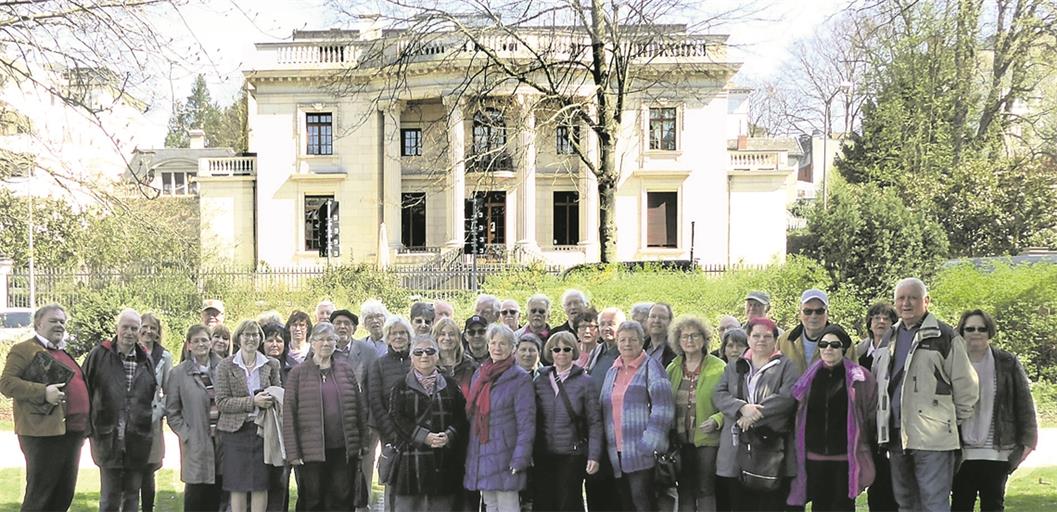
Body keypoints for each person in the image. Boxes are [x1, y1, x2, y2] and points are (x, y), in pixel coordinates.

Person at [872, 278, 978, 512]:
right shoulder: (889, 336)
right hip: (896, 435)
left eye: (913, 297)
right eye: (901, 298)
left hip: (933, 439)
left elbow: (967, 386)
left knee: (934, 504)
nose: (906, 303)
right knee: (906, 503)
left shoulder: (944, 335)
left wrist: (947, 421)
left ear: (926, 301)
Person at [0, 304, 89, 512]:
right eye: (53, 320)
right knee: (40, 497)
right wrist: (43, 392)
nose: (59, 325)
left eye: (62, 322)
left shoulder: (64, 353)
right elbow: (6, 383)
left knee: (63, 495)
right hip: (42, 434)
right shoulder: (24, 349)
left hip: (71, 433)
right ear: (38, 323)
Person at [951, 310, 1038, 512]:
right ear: (962, 331)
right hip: (961, 453)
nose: (976, 333)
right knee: (960, 506)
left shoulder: (1007, 362)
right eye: (970, 328)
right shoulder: (952, 362)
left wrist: (1027, 444)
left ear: (989, 331)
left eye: (982, 328)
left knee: (993, 506)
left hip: (998, 453)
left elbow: (1024, 405)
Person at [787, 324, 878, 511]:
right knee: (819, 505)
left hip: (846, 459)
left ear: (843, 348)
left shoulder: (861, 378)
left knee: (842, 506)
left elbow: (871, 417)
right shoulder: (808, 378)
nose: (829, 348)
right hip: (813, 458)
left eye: (835, 345)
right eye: (824, 344)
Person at [713, 317, 799, 512]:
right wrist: (742, 407)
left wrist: (755, 414)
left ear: (775, 339)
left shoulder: (786, 366)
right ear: (749, 338)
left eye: (767, 336)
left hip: (771, 449)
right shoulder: (735, 366)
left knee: (769, 504)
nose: (761, 340)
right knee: (741, 503)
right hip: (738, 449)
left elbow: (787, 397)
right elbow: (719, 394)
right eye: (756, 335)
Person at [283, 323, 369, 511]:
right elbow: (288, 414)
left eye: (330, 339)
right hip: (310, 450)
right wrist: (293, 452)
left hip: (343, 448)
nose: (326, 343)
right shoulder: (298, 373)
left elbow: (359, 409)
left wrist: (362, 442)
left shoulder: (346, 371)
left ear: (336, 343)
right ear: (312, 342)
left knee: (342, 497)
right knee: (313, 499)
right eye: (321, 339)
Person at [82, 308, 158, 512]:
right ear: (117, 328)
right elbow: (85, 391)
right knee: (109, 496)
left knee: (133, 496)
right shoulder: (99, 355)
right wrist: (89, 428)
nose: (129, 332)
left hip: (137, 437)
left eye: (134, 328)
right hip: (107, 436)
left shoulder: (145, 359)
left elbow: (150, 395)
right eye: (125, 327)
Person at [388, 335, 470, 511]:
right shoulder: (400, 386)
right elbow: (396, 417)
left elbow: (462, 416)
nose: (424, 356)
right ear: (412, 357)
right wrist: (424, 437)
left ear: (437, 355)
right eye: (418, 352)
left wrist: (449, 435)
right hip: (411, 460)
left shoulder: (450, 384)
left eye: (430, 351)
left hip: (444, 461)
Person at [599, 321, 674, 512]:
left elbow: (663, 408)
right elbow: (605, 407)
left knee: (643, 503)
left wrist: (649, 443)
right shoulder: (612, 371)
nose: (627, 344)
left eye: (632, 339)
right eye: (622, 339)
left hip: (641, 451)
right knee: (625, 503)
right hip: (616, 451)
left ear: (642, 341)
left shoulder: (652, 367)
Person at [464, 324, 537, 512]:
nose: (497, 347)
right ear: (488, 345)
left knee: (508, 504)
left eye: (503, 344)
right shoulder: (480, 374)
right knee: (490, 503)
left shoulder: (520, 378)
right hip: (481, 449)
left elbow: (526, 423)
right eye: (493, 342)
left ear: (512, 348)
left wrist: (520, 457)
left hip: (507, 451)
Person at [215, 319, 283, 512]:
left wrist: (272, 397)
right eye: (247, 335)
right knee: (237, 485)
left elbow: (278, 394)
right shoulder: (225, 366)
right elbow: (222, 403)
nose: (251, 339)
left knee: (261, 484)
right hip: (235, 432)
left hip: (263, 431)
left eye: (255, 335)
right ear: (238, 338)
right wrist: (253, 401)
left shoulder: (271, 364)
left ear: (260, 339)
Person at [532, 331, 603, 512]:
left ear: (574, 352)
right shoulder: (539, 380)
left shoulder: (585, 382)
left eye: (566, 349)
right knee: (545, 503)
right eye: (557, 349)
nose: (561, 353)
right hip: (544, 453)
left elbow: (595, 422)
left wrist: (594, 455)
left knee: (569, 503)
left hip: (572, 454)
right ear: (551, 352)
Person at [665, 315, 726, 512]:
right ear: (678, 340)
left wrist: (717, 420)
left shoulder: (718, 367)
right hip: (679, 441)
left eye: (695, 335)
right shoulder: (672, 368)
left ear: (704, 338)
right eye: (684, 336)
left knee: (705, 489)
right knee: (684, 489)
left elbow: (731, 403)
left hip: (707, 440)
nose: (689, 341)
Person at [166, 325, 225, 512]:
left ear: (211, 343)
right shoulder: (178, 373)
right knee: (196, 496)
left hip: (223, 442)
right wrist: (187, 434)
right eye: (196, 340)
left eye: (205, 340)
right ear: (189, 345)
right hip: (197, 443)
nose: (201, 344)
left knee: (220, 496)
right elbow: (172, 412)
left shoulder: (225, 368)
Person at [853, 302, 899, 512]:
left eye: (886, 318)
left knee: (887, 484)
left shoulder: (899, 353)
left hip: (889, 425)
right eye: (876, 317)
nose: (881, 321)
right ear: (869, 323)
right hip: (863, 427)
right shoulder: (857, 353)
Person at [368, 316, 415, 510]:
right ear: (387, 337)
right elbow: (375, 400)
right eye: (394, 333)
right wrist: (392, 433)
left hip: (416, 434)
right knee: (392, 484)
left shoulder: (418, 360)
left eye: (402, 333)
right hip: (391, 436)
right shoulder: (379, 364)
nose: (398, 337)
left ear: (409, 336)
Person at [582, 307, 625, 512]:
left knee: (615, 488)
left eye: (612, 324)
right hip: (595, 427)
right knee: (595, 482)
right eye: (604, 324)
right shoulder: (598, 351)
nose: (607, 328)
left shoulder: (625, 353)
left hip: (617, 429)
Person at [139, 313, 173, 512]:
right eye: (145, 326)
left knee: (148, 470)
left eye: (153, 328)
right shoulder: (129, 352)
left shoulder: (164, 356)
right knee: (129, 469)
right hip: (130, 419)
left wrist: (159, 411)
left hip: (152, 419)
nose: (148, 331)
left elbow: (169, 391)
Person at [259, 322, 293, 511]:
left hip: (284, 436)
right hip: (261, 434)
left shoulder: (292, 369)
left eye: (279, 340)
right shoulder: (255, 368)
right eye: (269, 340)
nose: (274, 344)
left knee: (281, 485)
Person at [777, 288, 832, 375]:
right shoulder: (784, 340)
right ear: (800, 313)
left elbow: (854, 379)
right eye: (808, 311)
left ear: (827, 313)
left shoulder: (842, 342)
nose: (813, 316)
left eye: (819, 311)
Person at [434, 317, 478, 397]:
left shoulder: (470, 366)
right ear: (435, 338)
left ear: (458, 338)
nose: (447, 338)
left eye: (451, 334)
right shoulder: (429, 367)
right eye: (442, 334)